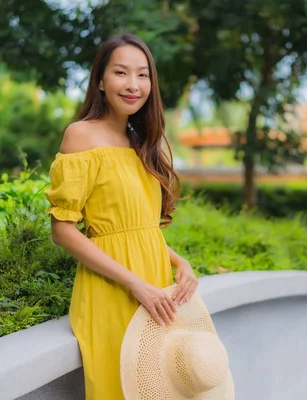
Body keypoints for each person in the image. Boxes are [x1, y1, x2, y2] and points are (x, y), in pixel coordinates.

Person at [45, 33, 199, 400]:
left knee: (161, 390)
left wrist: (179, 262)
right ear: (100, 80)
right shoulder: (81, 136)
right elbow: (63, 230)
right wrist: (134, 284)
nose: (133, 85)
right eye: (121, 73)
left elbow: (140, 229)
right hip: (113, 289)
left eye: (142, 75)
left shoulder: (142, 141)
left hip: (155, 288)